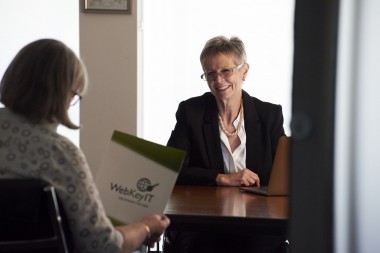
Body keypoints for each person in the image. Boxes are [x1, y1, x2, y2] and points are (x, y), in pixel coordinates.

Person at [0, 39, 170, 253]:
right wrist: (147, 226)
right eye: (74, 96)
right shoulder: (61, 155)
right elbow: (103, 246)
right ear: (61, 94)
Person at [165, 36, 287, 253]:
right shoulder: (190, 112)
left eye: (226, 71)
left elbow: (283, 176)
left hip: (258, 222)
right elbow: (170, 170)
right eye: (210, 73)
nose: (218, 80)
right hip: (204, 222)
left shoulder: (269, 115)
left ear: (244, 71)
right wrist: (220, 178)